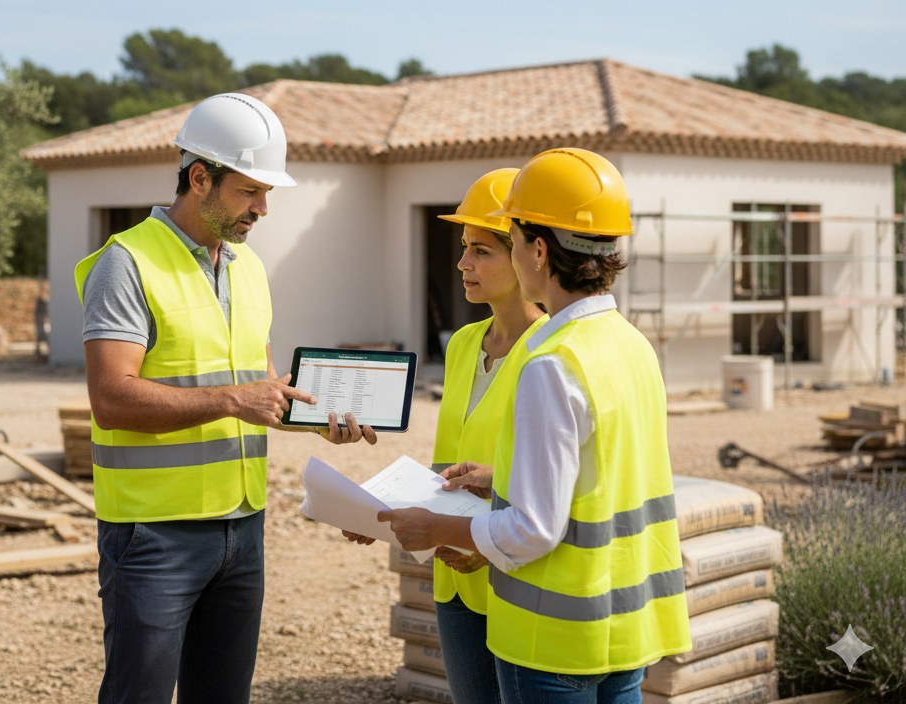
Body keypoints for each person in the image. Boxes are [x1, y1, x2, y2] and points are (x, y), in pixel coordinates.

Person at [76, 92, 376, 704]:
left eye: (268, 193)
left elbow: (261, 389)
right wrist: (234, 401)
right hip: (154, 534)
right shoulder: (127, 263)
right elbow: (112, 399)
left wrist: (319, 419)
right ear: (199, 177)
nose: (264, 209)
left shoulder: (248, 268)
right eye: (250, 191)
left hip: (242, 529)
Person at [377, 149, 692, 704]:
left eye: (509, 241)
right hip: (622, 628)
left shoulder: (553, 362)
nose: (468, 262)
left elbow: (534, 530)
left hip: (553, 636)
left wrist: (438, 530)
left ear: (538, 250)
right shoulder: (632, 345)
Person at [344, 168, 546, 704]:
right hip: (453, 576)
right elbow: (450, 467)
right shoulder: (462, 344)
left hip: (513, 575)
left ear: (526, 254)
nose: (462, 264)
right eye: (464, 248)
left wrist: (488, 545)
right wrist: (380, 512)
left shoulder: (552, 355)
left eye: (481, 250)